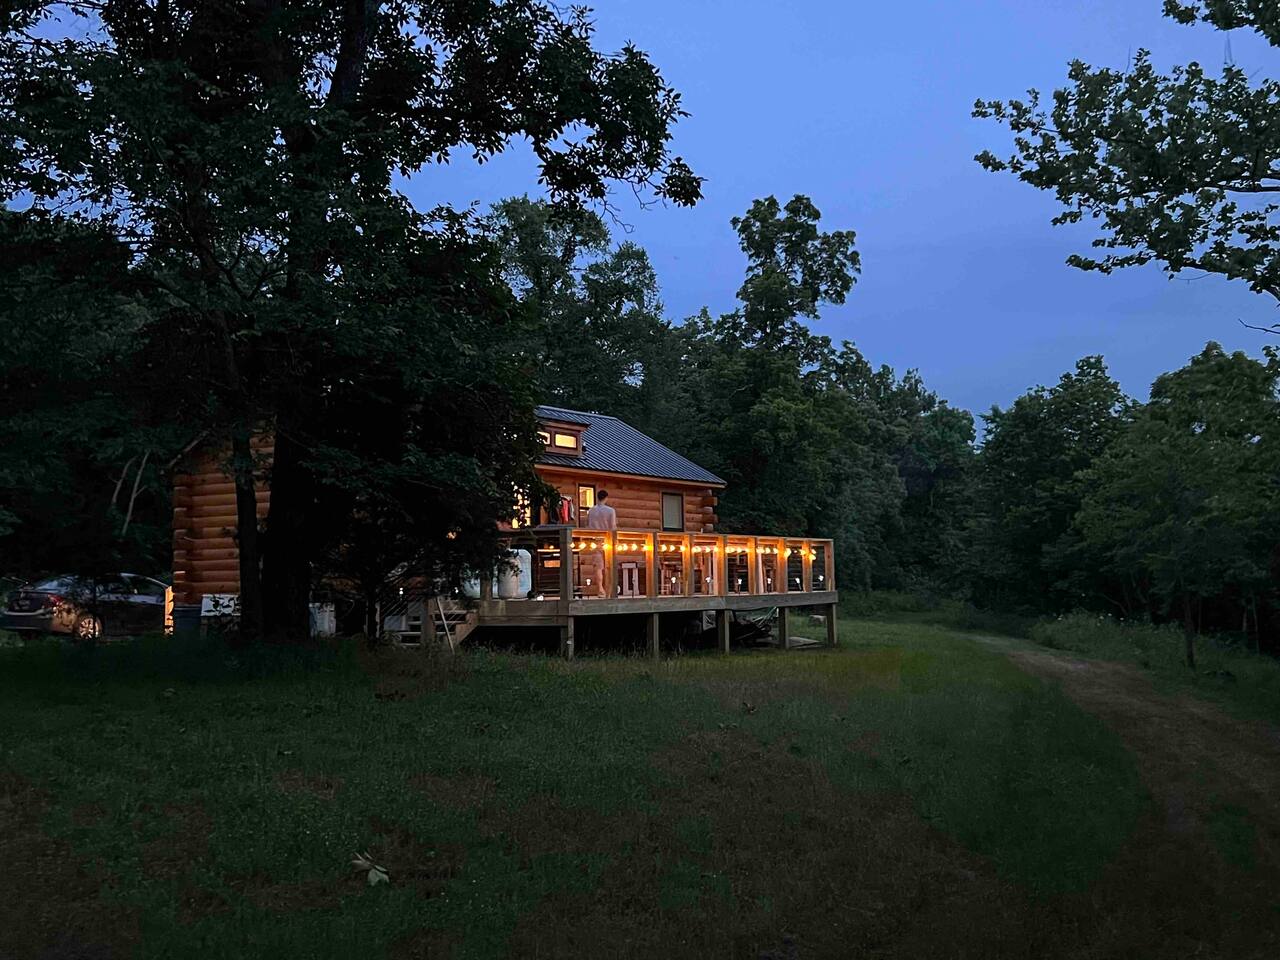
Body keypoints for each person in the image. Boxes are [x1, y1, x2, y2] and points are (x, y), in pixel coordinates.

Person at [582, 491, 615, 597]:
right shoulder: (610, 511)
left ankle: (600, 589)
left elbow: (587, 525)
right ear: (606, 498)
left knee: (598, 567)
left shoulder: (591, 511)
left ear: (597, 497)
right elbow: (613, 527)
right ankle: (609, 590)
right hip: (607, 540)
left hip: (594, 540)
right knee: (609, 565)